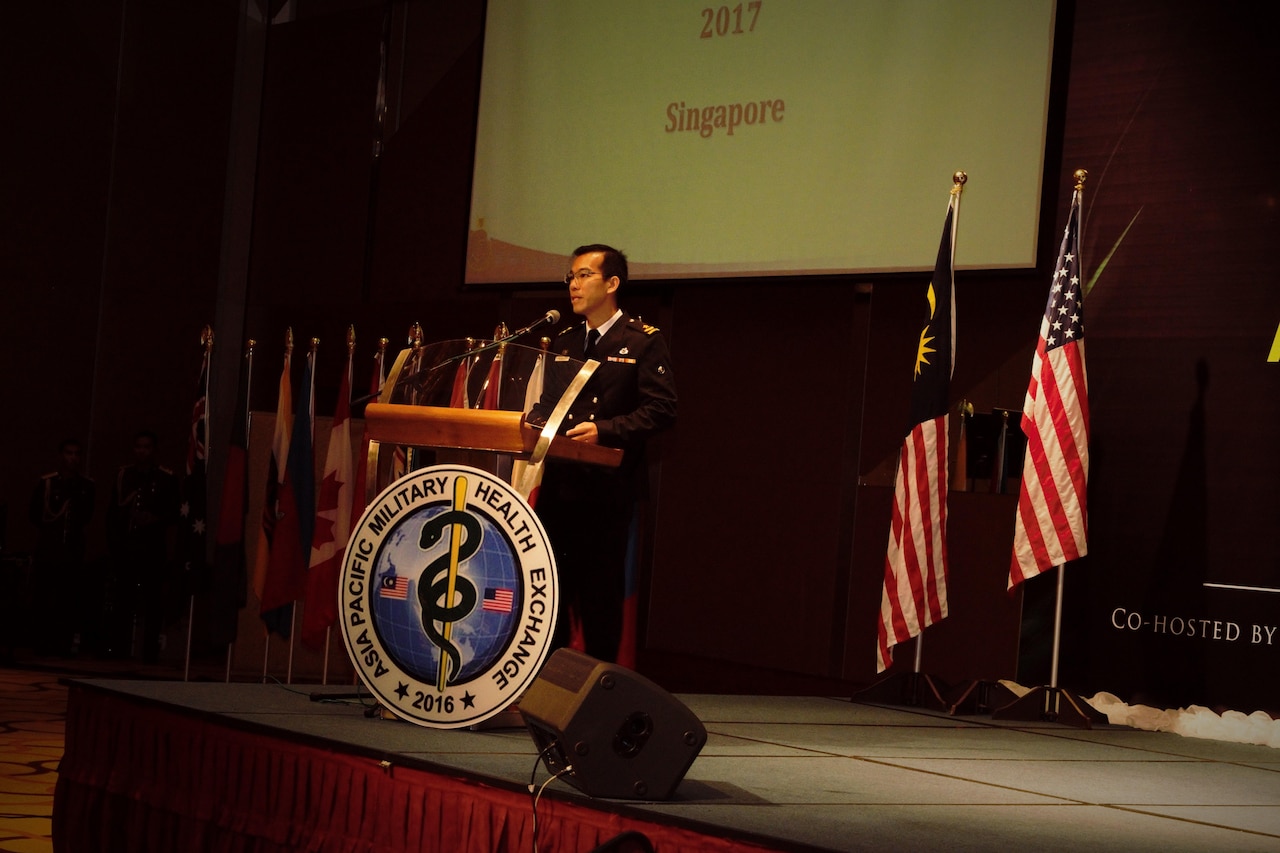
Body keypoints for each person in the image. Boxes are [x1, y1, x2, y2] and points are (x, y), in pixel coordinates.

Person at [527, 244, 677, 662]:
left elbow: (662, 410)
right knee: (552, 596)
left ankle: (598, 694)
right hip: (560, 488)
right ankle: (544, 691)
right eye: (570, 277)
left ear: (612, 283)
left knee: (598, 599)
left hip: (608, 491)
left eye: (584, 275)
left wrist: (606, 431)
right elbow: (549, 405)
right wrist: (533, 421)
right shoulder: (566, 340)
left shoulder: (642, 341)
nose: (573, 285)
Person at [107, 430, 179, 662]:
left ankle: (150, 653)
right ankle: (118, 651)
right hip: (127, 547)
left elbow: (175, 511)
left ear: (154, 450)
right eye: (138, 447)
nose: (142, 451)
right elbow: (112, 513)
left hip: (152, 548)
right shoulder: (123, 476)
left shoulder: (166, 478)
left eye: (147, 447)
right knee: (123, 601)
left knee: (152, 602)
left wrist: (154, 518)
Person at [27, 438, 96, 655]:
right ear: (61, 455)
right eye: (69, 453)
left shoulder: (86, 486)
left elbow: (86, 516)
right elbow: (35, 514)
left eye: (77, 454)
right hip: (49, 548)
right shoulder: (48, 483)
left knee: (67, 600)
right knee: (43, 597)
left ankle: (62, 646)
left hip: (72, 549)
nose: (73, 458)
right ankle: (39, 644)